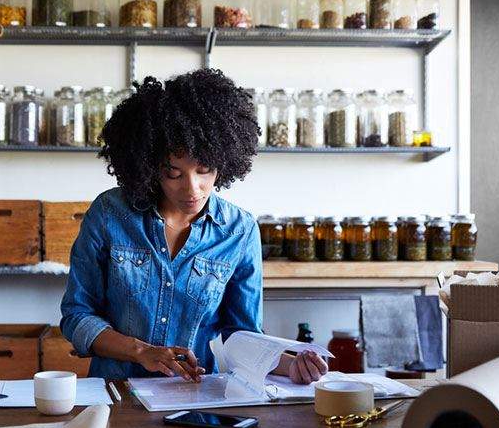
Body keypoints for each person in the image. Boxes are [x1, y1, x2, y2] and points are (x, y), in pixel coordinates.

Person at [60, 68, 327, 384]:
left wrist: (289, 365)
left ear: (224, 162)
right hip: (117, 394)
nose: (193, 188)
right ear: (148, 164)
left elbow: (240, 337)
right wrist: (140, 351)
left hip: (198, 397)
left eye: (205, 170)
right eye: (174, 173)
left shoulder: (239, 231)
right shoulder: (110, 214)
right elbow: (77, 317)